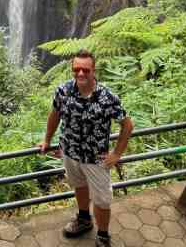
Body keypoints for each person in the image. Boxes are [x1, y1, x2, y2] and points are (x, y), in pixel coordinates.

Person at [38, 50, 134, 247]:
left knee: (102, 200)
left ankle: (103, 236)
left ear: (93, 70)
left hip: (96, 158)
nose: (80, 73)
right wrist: (46, 140)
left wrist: (116, 154)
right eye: (76, 69)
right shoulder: (63, 91)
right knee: (79, 185)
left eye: (85, 70)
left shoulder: (107, 97)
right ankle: (83, 219)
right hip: (70, 152)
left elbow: (127, 125)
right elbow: (55, 114)